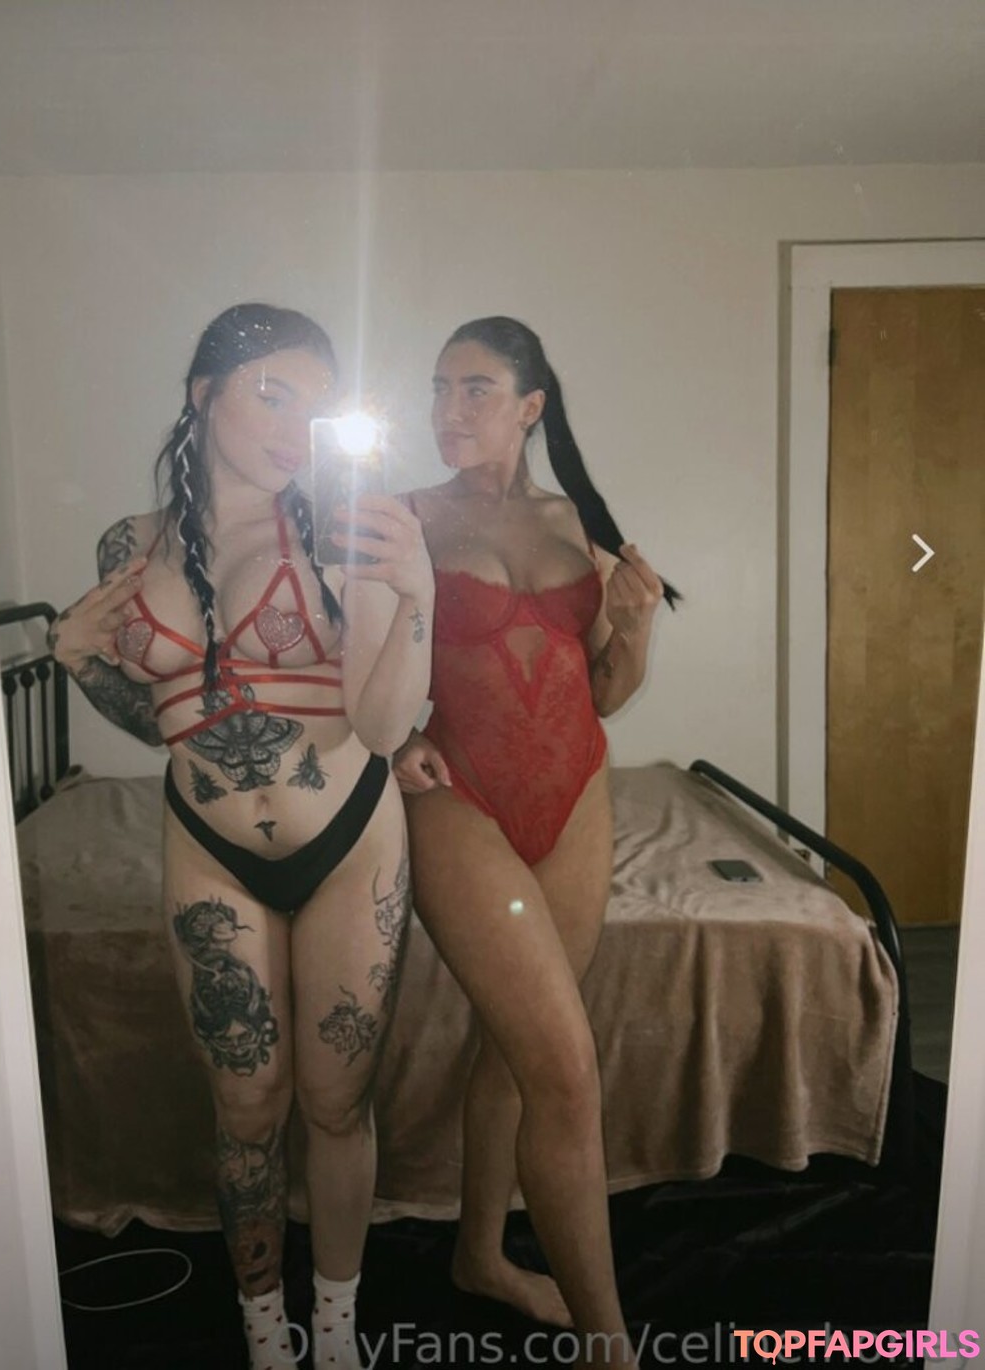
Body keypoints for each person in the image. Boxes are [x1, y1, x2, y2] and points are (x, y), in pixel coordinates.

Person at [47, 303, 434, 1370]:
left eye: (315, 407)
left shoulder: (345, 527)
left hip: (349, 839)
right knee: (246, 1104)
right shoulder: (130, 546)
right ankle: (267, 1334)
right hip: (208, 847)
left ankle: (338, 1330)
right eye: (272, 394)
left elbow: (382, 724)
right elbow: (161, 721)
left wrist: (417, 595)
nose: (294, 428)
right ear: (203, 393)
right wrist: (78, 660)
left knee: (335, 1102)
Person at [394, 316, 676, 1368]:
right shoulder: (404, 518)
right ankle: (611, 1345)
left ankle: (480, 1256)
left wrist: (635, 624)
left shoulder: (575, 523)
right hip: (457, 797)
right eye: (438, 388)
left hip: (577, 796)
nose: (447, 409)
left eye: (474, 388)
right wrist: (393, 740)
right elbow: (352, 664)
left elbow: (605, 688)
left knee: (516, 1049)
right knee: (564, 1066)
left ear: (530, 406)